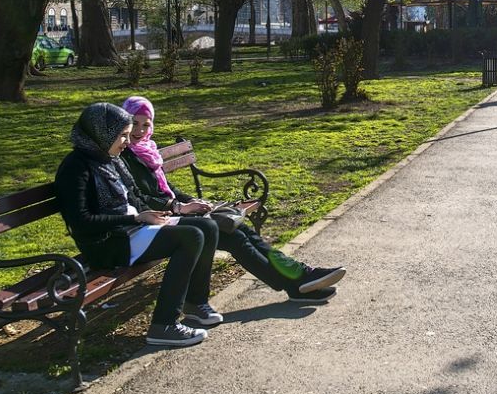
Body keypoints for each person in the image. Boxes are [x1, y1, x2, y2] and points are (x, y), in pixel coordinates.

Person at [119, 96, 345, 303]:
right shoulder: (124, 155)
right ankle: (296, 281)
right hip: (158, 223)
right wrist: (180, 207)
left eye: (146, 124)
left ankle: (299, 276)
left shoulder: (147, 151)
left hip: (176, 213)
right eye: (134, 124)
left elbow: (168, 190)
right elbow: (141, 198)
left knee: (241, 230)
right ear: (125, 123)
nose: (139, 131)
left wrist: (196, 201)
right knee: (234, 236)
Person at [55, 103, 221, 348]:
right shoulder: (75, 167)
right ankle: (163, 325)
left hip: (133, 231)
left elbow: (133, 197)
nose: (126, 141)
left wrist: (163, 211)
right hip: (107, 244)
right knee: (191, 236)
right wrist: (136, 218)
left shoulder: (110, 158)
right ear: (102, 133)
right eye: (122, 135)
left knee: (208, 227)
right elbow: (82, 222)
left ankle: (196, 303)